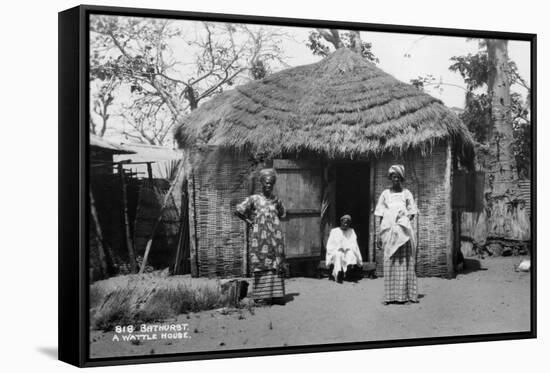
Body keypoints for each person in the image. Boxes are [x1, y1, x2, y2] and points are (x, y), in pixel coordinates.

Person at [235, 168, 286, 299]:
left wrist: (273, 224)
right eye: (266, 183)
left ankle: (276, 296)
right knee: (260, 262)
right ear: (262, 183)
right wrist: (250, 222)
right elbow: (238, 211)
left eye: (271, 183)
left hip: (276, 238)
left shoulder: (277, 200)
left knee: (276, 262)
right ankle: (261, 296)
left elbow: (282, 214)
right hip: (260, 237)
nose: (269, 185)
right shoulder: (254, 199)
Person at [374, 164, 419, 304]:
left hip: (403, 233)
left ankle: (404, 297)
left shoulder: (406, 193)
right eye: (394, 177)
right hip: (389, 232)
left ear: (401, 178)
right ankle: (389, 297)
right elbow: (379, 214)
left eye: (398, 177)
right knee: (389, 262)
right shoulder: (385, 194)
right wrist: (378, 234)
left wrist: (404, 219)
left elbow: (412, 212)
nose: (396, 179)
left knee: (404, 263)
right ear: (390, 178)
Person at [325, 215, 363, 283]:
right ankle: (338, 274)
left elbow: (354, 244)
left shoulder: (351, 231)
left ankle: (347, 273)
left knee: (350, 254)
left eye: (347, 223)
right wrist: (339, 248)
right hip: (337, 251)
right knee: (338, 254)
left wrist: (348, 248)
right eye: (344, 222)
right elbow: (330, 245)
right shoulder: (334, 231)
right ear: (341, 222)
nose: (345, 224)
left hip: (347, 251)